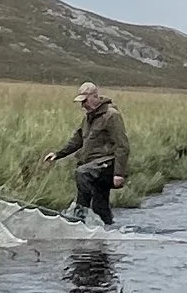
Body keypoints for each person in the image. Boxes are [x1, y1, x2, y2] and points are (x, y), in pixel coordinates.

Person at [47, 84, 130, 226]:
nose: (83, 105)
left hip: (108, 165)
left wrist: (119, 174)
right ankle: (106, 231)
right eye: (81, 102)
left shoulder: (111, 115)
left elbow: (122, 146)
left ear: (95, 97)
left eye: (85, 101)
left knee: (82, 173)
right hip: (93, 166)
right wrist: (58, 155)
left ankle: (80, 215)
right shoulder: (88, 118)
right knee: (100, 204)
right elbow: (77, 140)